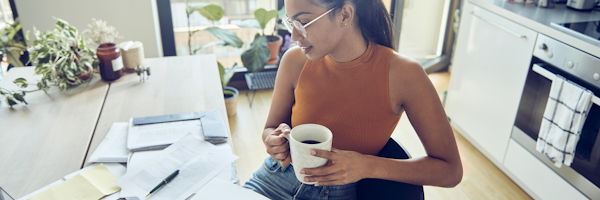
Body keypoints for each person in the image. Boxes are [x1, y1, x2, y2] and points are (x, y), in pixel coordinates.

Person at [243, 0, 463, 199]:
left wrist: (367, 166)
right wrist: (273, 141)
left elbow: (450, 171)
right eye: (291, 23)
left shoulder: (404, 76)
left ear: (345, 15)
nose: (294, 36)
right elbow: (270, 128)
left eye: (303, 23)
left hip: (335, 193)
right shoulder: (294, 60)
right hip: (273, 178)